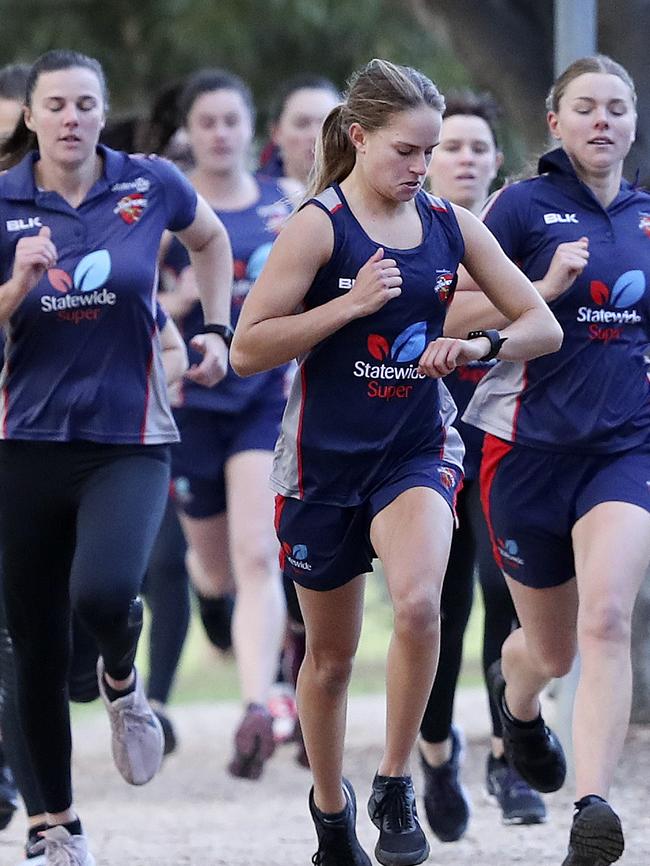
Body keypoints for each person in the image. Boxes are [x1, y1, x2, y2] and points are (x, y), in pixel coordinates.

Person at [231, 57, 562, 866]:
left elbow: (541, 324)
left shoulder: (450, 225)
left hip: (415, 449)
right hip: (319, 467)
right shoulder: (320, 223)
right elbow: (247, 348)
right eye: (405, 152)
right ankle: (330, 809)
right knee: (332, 658)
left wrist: (476, 343)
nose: (420, 168)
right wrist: (349, 304)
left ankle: (392, 780)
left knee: (420, 607)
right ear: (359, 138)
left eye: (429, 151)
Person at [0, 49, 232, 865]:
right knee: (32, 642)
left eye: (86, 103)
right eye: (55, 104)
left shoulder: (149, 183)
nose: (71, 117)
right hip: (21, 446)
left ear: (104, 112)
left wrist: (214, 327)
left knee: (103, 592)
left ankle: (124, 682)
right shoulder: (1, 203)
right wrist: (12, 292)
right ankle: (53, 825)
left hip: (129, 439)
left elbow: (211, 241)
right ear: (29, 115)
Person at [447, 54, 649, 866]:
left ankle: (591, 810)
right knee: (550, 650)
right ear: (555, 122)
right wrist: (538, 286)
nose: (603, 121)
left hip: (624, 449)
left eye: (618, 108)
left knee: (607, 619)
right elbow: (448, 307)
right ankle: (518, 704)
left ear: (634, 124)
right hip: (523, 451)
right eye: (586, 108)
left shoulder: (644, 218)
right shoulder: (521, 206)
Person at [417, 92, 546, 841]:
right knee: (438, 605)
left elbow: (539, 325)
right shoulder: (411, 231)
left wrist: (516, 303)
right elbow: (425, 319)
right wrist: (524, 300)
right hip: (427, 440)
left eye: (478, 146)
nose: (464, 157)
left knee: (507, 595)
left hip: (508, 435)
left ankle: (507, 754)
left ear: (498, 160)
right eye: (450, 146)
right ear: (428, 157)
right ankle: (436, 750)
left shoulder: (521, 228)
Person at [161, 68, 293, 780]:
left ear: (252, 127)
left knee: (256, 554)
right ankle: (218, 614)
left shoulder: (286, 204)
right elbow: (132, 292)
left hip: (261, 398)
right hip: (188, 407)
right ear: (190, 131)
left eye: (231, 120)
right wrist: (174, 299)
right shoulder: (165, 205)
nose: (220, 133)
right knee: (212, 570)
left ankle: (258, 704)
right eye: (207, 121)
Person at [259, 75, 341, 196]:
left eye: (327, 123)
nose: (315, 136)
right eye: (302, 124)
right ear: (276, 132)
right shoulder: (253, 196)